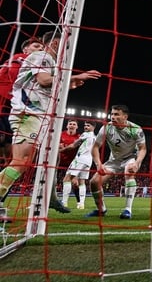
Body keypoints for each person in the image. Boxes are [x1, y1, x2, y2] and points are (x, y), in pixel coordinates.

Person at [0, 30, 100, 220]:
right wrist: (77, 76)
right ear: (55, 44)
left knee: (45, 160)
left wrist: (71, 83)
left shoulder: (48, 61)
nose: (67, 50)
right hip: (28, 114)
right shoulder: (43, 56)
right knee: (21, 162)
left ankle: (50, 197)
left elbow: (46, 85)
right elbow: (44, 81)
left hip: (38, 116)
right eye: (66, 45)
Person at [0, 36, 44, 217]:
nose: (39, 49)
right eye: (35, 46)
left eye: (41, 47)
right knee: (18, 160)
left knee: (16, 161)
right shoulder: (20, 58)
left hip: (13, 111)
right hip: (4, 108)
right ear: (25, 49)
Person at [85, 104, 147, 219]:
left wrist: (137, 162)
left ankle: (128, 210)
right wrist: (98, 164)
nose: (112, 117)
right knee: (94, 182)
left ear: (125, 117)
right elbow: (95, 147)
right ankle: (101, 210)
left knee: (129, 172)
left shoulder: (135, 129)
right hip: (113, 161)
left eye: (116, 114)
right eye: (112, 114)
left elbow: (143, 148)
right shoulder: (107, 127)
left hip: (130, 158)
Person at [60, 120, 96, 209]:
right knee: (82, 181)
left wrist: (62, 150)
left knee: (67, 179)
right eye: (85, 125)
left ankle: (64, 202)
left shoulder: (85, 134)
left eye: (88, 125)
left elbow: (73, 145)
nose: (86, 127)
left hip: (80, 159)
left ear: (93, 127)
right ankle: (81, 204)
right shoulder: (94, 137)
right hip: (88, 161)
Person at [58, 119, 81, 206]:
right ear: (67, 126)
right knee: (52, 181)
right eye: (70, 124)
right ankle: (52, 199)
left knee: (75, 182)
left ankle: (79, 202)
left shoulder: (79, 137)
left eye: (74, 124)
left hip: (72, 162)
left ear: (77, 127)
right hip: (59, 161)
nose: (72, 125)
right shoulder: (61, 134)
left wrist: (63, 148)